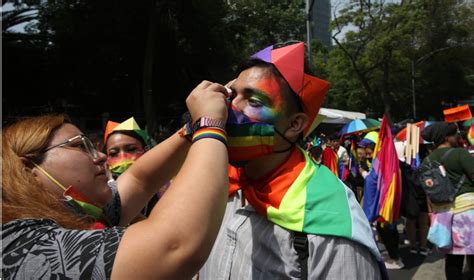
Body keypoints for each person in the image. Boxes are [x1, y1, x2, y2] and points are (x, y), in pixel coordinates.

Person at [2, 81, 230, 279]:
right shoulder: (21, 246)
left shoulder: (73, 210)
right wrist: (210, 125)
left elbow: (141, 179)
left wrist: (194, 126)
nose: (101, 157)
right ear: (28, 167)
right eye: (80, 146)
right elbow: (174, 245)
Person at [199, 42, 385, 279]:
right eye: (232, 95)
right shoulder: (216, 186)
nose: (228, 109)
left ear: (295, 124)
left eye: (254, 101)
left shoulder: (333, 226)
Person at [420, 122, 474, 280]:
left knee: (453, 258)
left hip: (443, 215)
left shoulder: (426, 161)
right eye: (454, 134)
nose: (458, 136)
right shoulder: (460, 154)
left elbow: (428, 191)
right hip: (468, 211)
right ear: (446, 138)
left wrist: (431, 214)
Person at [103, 117, 160, 217]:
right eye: (114, 153)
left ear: (146, 151)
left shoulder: (165, 187)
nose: (123, 158)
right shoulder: (103, 197)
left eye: (131, 149)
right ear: (107, 159)